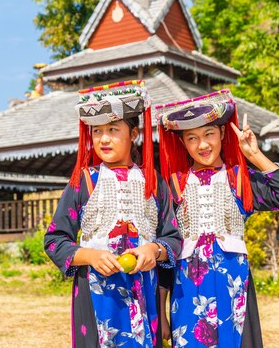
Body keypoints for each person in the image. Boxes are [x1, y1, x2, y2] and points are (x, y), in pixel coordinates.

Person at [155, 90, 279, 348]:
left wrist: (253, 155)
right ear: (183, 143)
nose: (202, 145)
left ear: (223, 134)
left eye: (209, 134)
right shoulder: (173, 187)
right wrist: (161, 312)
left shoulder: (240, 180)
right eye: (192, 138)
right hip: (186, 290)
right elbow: (166, 253)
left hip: (234, 286)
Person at [45, 80, 181, 348]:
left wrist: (154, 250)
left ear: (134, 134)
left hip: (145, 288)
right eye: (97, 131)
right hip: (96, 292)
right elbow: (54, 240)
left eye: (113, 129)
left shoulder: (154, 181)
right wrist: (91, 256)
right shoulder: (82, 181)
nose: (103, 139)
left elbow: (173, 238)